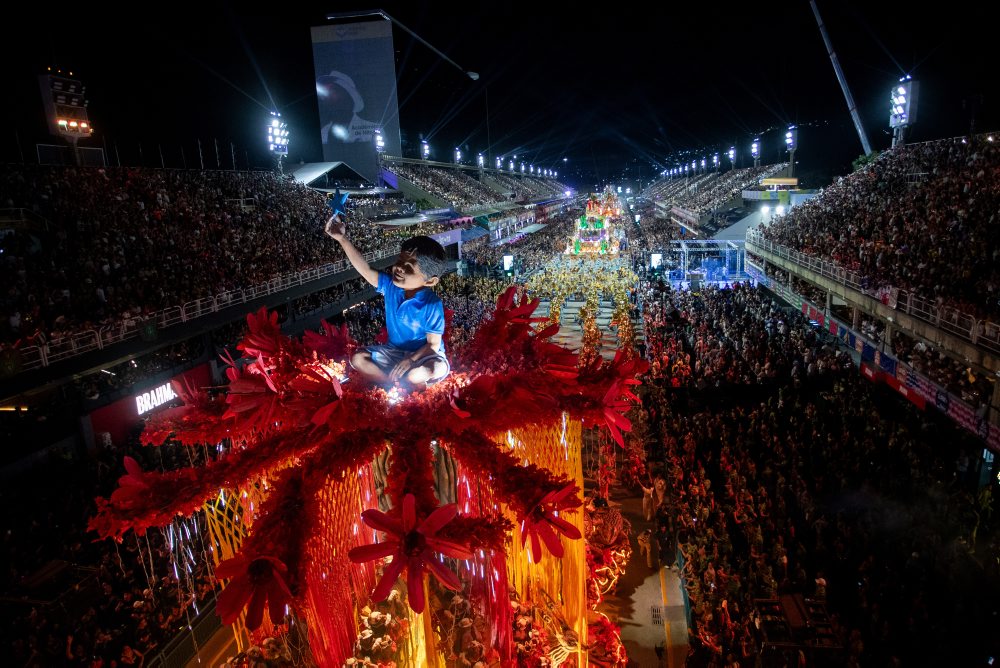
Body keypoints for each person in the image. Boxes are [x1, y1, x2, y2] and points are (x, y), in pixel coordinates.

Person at [325, 214, 449, 388]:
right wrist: (342, 239)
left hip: (424, 356)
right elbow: (365, 269)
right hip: (393, 352)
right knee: (358, 359)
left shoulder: (431, 304)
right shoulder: (391, 287)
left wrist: (411, 360)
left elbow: (433, 345)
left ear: (430, 281)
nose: (399, 268)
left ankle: (407, 380)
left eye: (409, 267)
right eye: (400, 261)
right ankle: (392, 385)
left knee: (428, 370)